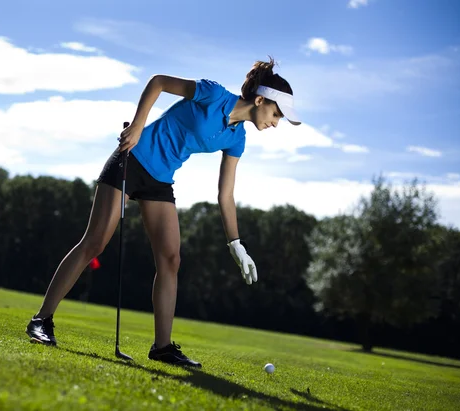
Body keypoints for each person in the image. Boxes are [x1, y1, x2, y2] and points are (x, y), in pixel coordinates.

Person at [25, 57, 301, 368]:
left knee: (171, 258)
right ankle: (42, 319)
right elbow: (158, 82)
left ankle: (162, 346)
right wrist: (139, 125)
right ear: (261, 99)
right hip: (133, 158)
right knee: (94, 243)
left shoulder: (237, 138)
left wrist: (236, 244)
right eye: (276, 113)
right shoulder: (213, 94)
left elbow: (226, 195)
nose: (276, 122)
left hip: (160, 180)